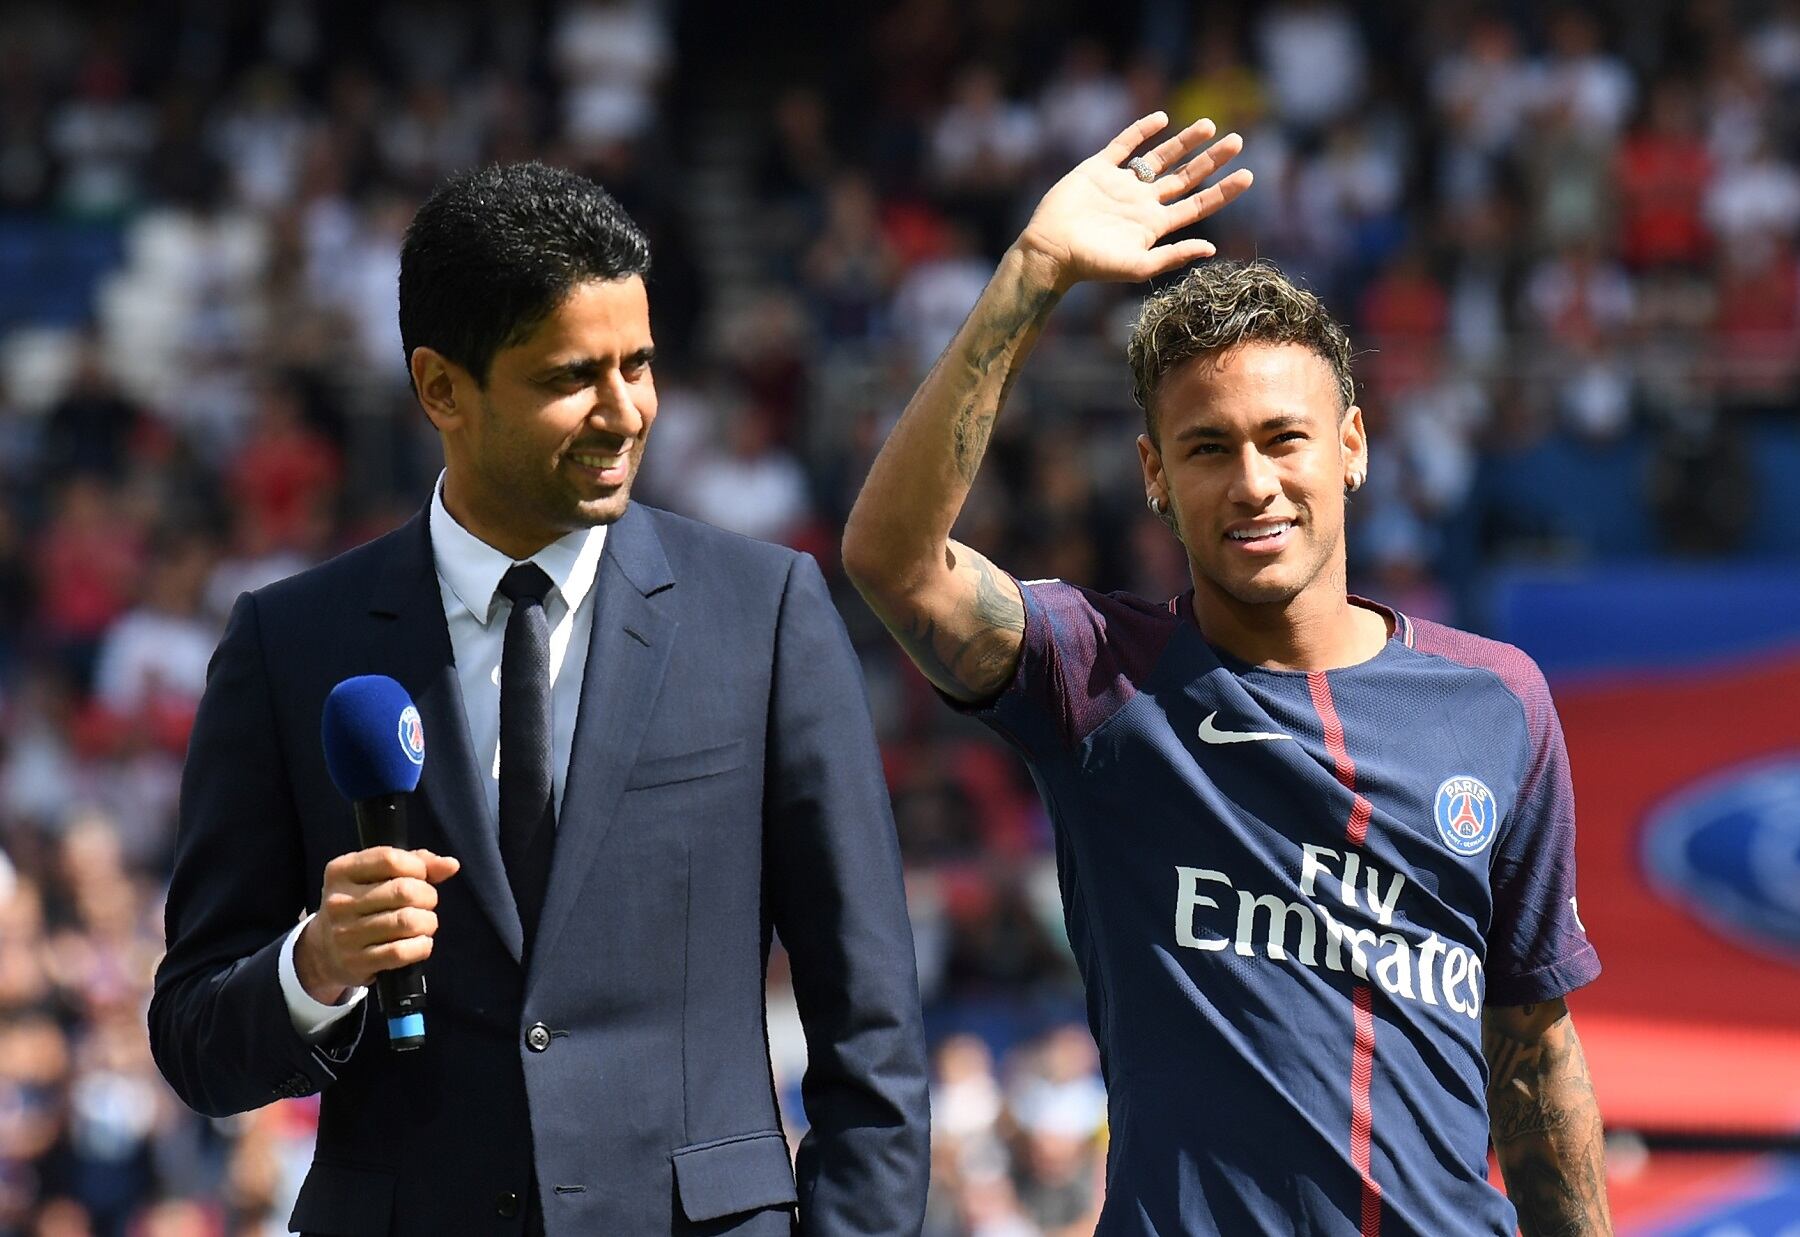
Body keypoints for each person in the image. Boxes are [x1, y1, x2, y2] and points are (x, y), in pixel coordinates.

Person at [842, 112, 1609, 1236]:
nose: (1253, 482)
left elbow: (1534, 1049)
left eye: (1283, 438)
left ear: (1350, 443)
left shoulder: (1500, 702)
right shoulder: (1097, 675)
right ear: (1154, 472)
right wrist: (1032, 276)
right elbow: (891, 562)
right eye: (1208, 448)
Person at [149, 162, 930, 1237]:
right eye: (574, 376)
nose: (626, 412)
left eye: (641, 364)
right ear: (440, 389)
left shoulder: (765, 614)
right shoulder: (289, 645)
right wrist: (316, 964)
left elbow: (872, 1024)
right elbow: (193, 1034)